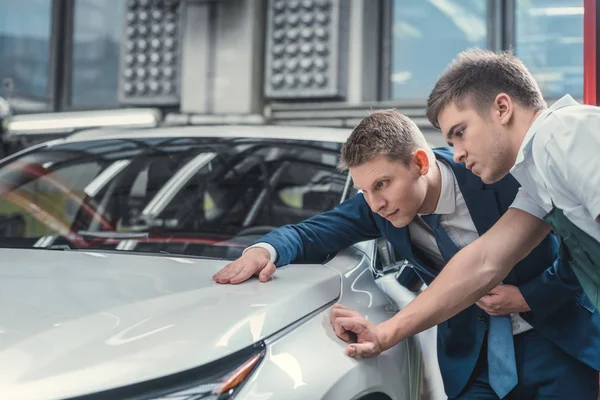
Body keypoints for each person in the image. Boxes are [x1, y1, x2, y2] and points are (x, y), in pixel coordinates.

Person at [213, 110, 600, 399]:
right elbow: (310, 232)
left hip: (555, 340)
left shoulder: (493, 172)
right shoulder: (376, 206)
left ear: (419, 162)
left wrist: (530, 295)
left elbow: (578, 247)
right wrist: (264, 250)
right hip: (472, 361)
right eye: (364, 190)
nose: (375, 203)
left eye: (382, 184)